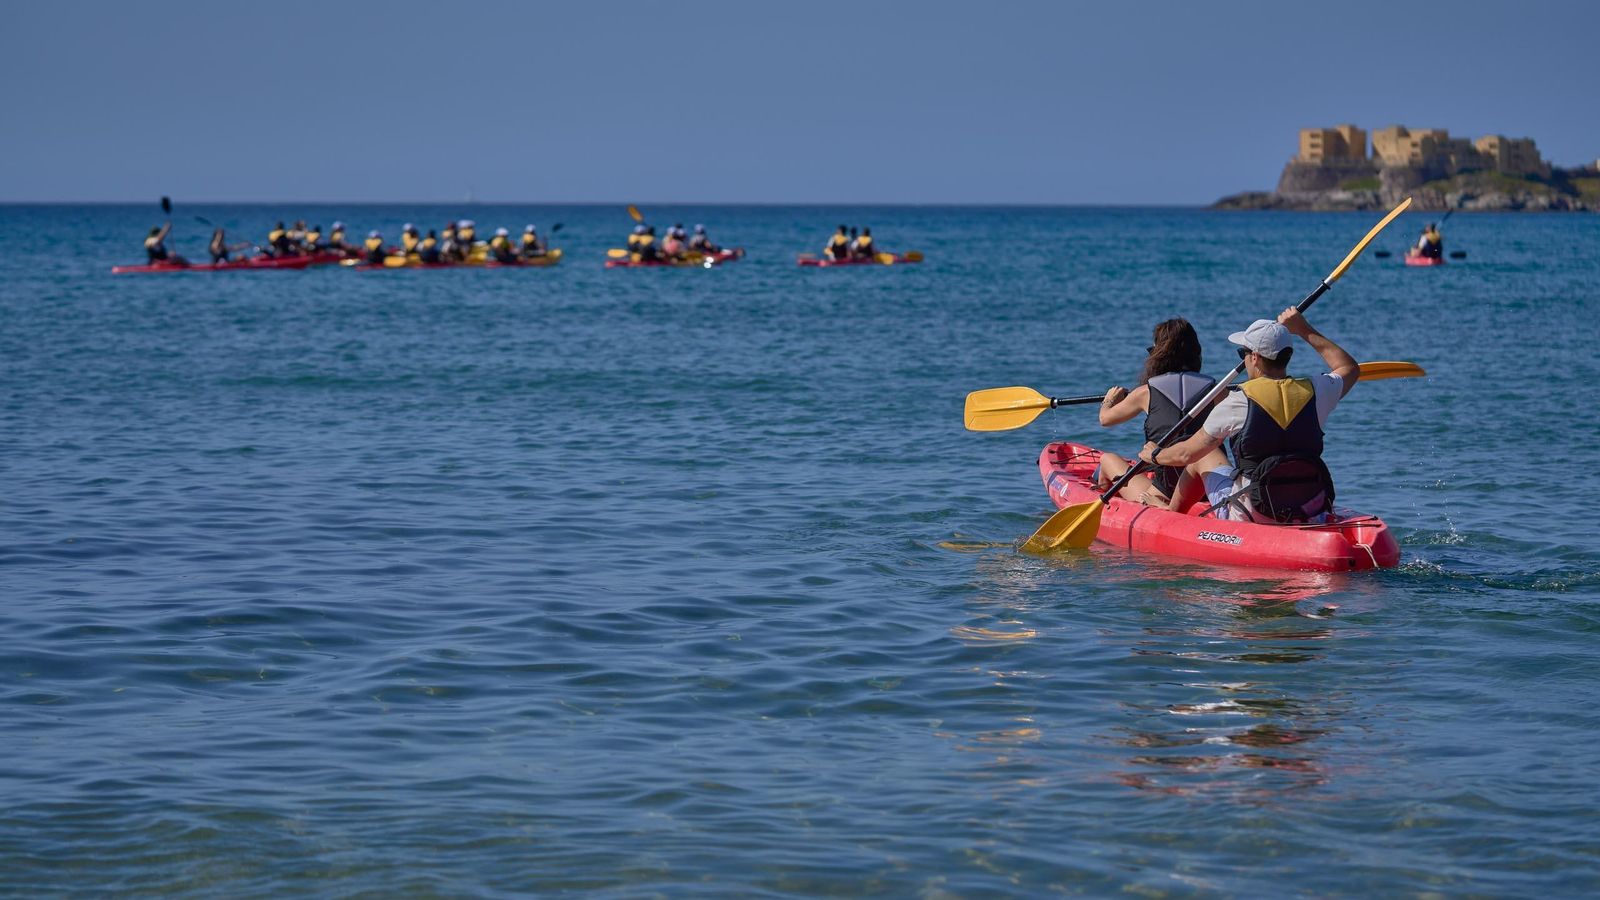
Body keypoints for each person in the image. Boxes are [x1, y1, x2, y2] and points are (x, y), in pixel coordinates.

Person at [1140, 309, 1360, 523]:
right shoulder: (1317, 390)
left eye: (1242, 353)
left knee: (1202, 458)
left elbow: (1186, 454)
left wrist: (1156, 455)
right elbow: (1348, 367)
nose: (1243, 359)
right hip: (1309, 506)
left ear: (1254, 358)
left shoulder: (1237, 401)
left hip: (1254, 511)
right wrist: (1304, 329)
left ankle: (1170, 514)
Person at [1092, 319, 1217, 505]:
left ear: (1157, 355)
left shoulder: (1145, 392)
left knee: (1107, 459)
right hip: (1206, 488)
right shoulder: (1217, 390)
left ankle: (1106, 504)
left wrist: (1110, 399)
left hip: (1163, 493)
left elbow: (1105, 419)